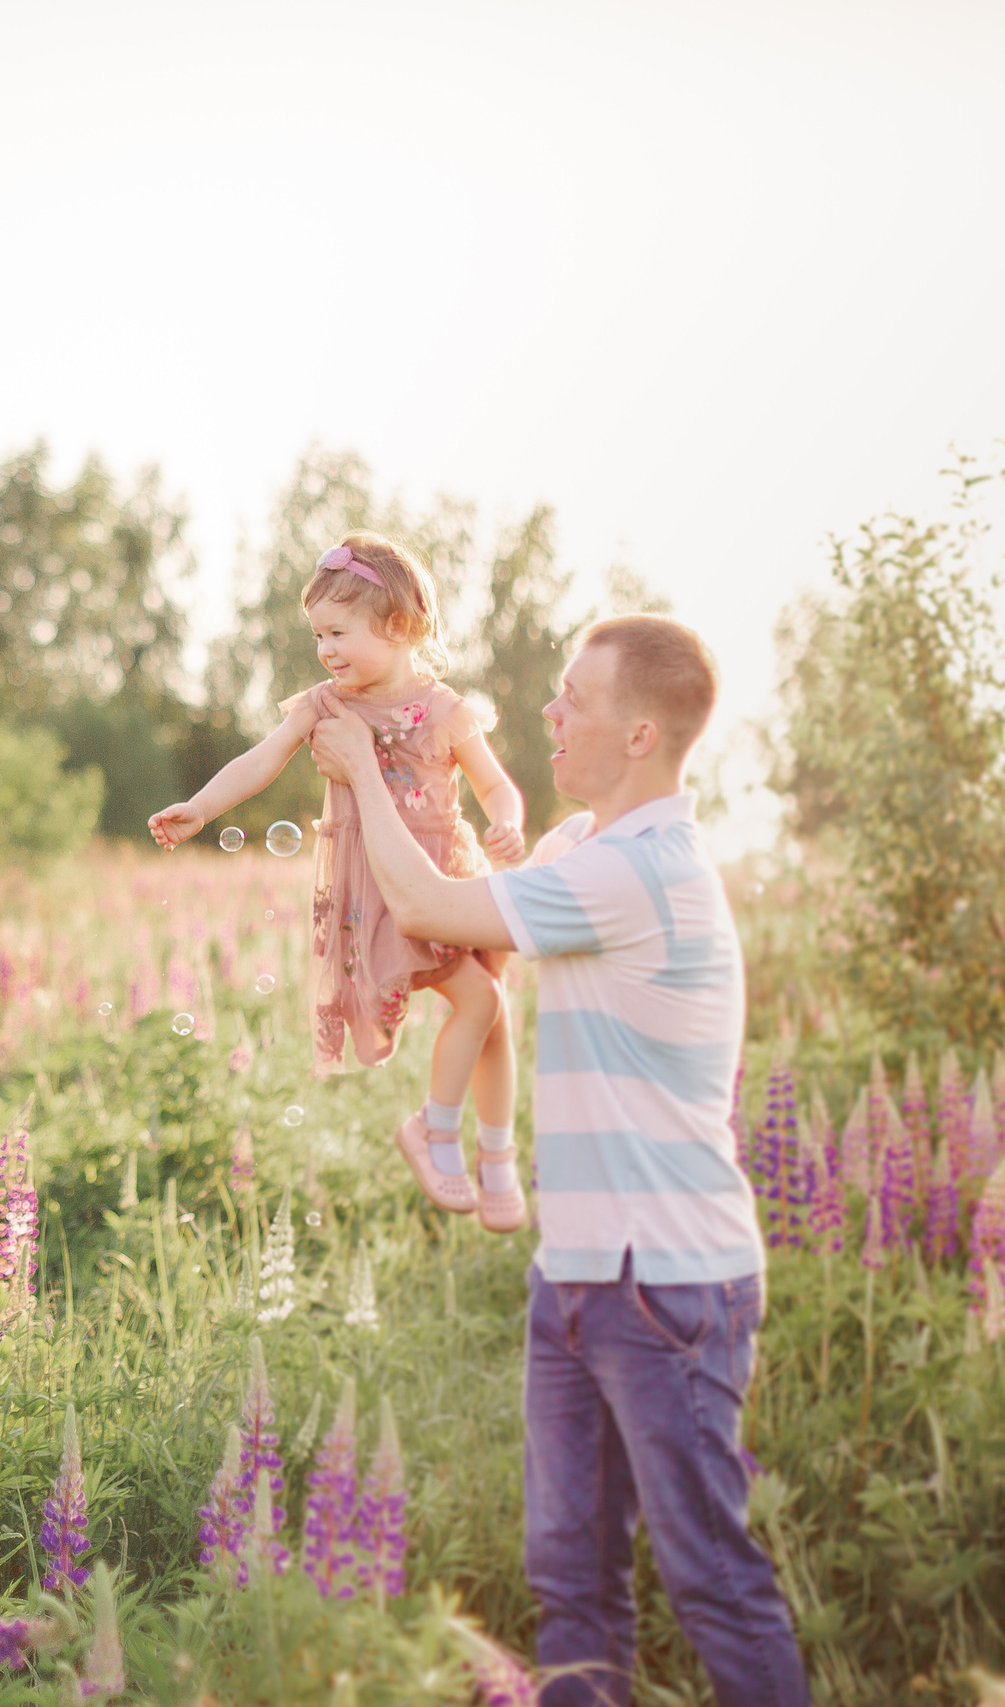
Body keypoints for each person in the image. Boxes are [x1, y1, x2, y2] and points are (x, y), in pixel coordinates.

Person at [306, 614, 809, 1707]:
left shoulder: (644, 870)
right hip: (580, 1276)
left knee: (709, 1576)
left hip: (667, 1285)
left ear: (637, 734)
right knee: (571, 1584)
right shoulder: (583, 850)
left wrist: (364, 774)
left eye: (573, 698)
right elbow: (465, 913)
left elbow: (430, 903)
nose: (547, 710)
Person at [148, 531, 530, 1232]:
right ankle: (436, 1130)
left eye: (338, 632)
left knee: (493, 1012)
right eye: (318, 634)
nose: (325, 649)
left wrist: (507, 820)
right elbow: (260, 760)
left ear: (400, 627)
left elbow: (495, 784)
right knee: (480, 1001)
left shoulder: (444, 709)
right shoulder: (326, 706)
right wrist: (200, 807)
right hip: (385, 894)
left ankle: (493, 1150)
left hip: (448, 876)